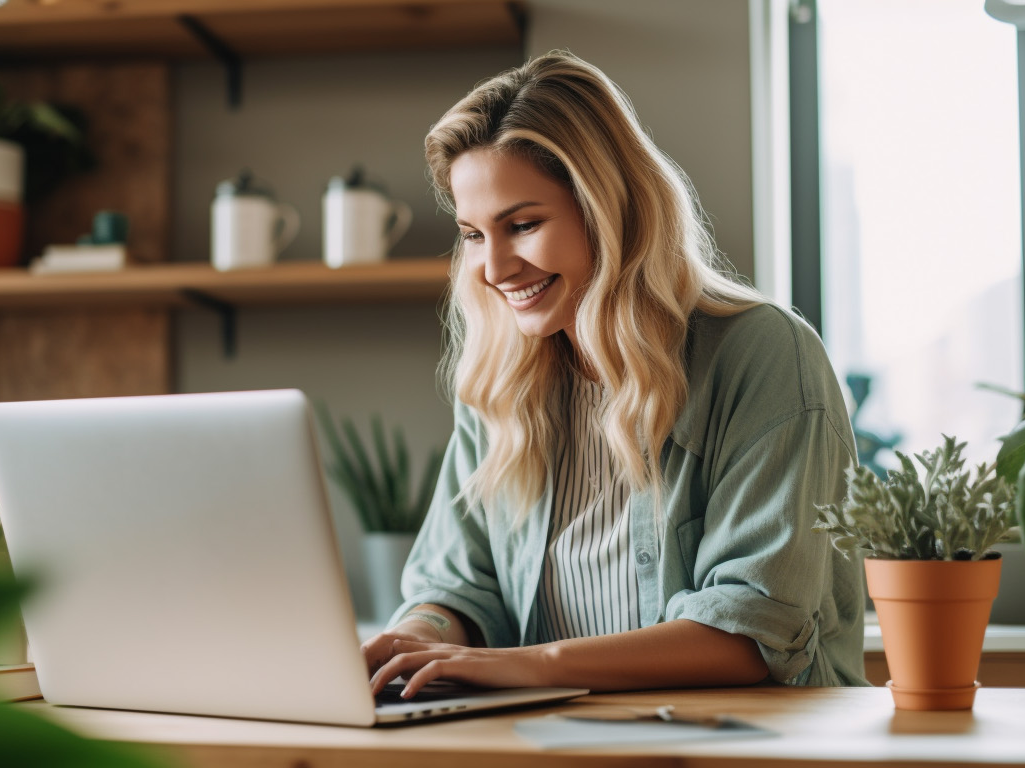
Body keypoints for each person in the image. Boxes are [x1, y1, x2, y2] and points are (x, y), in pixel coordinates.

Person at [361, 51, 867, 699]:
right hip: (558, 744)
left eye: (522, 225)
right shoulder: (500, 381)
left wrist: (531, 666)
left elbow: (751, 630)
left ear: (612, 208)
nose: (494, 269)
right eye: (474, 234)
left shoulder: (763, 353)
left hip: (741, 746)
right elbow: (454, 585)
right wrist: (424, 633)